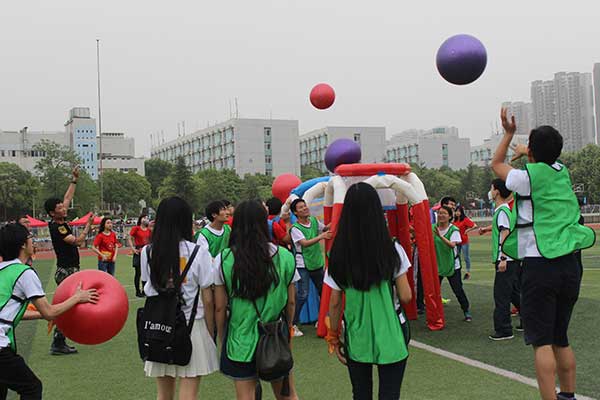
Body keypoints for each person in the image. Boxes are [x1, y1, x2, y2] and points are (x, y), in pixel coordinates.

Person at [491, 109, 595, 400]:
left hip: (540, 265)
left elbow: (496, 164)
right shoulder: (562, 172)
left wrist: (509, 135)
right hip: (570, 264)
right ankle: (568, 396)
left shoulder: (526, 178)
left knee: (542, 342)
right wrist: (529, 151)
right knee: (561, 337)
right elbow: (544, 161)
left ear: (533, 152)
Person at [325, 183, 411, 400]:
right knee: (390, 395)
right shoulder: (393, 248)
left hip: (356, 333)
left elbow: (334, 303)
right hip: (392, 332)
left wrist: (334, 336)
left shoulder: (338, 253)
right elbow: (406, 295)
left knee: (361, 394)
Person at [0, 223, 98, 400]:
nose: (33, 241)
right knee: (32, 388)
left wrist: (42, 314)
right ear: (23, 244)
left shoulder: (2, 269)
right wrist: (77, 297)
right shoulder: (24, 273)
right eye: (30, 237)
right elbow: (49, 312)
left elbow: (7, 313)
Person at [213, 200, 299, 400]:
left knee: (246, 397)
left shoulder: (224, 258)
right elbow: (291, 302)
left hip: (240, 340)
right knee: (287, 395)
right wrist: (288, 329)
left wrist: (222, 336)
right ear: (263, 222)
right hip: (275, 335)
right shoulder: (285, 257)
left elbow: (219, 307)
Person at [140, 197, 218, 400]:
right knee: (188, 392)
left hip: (159, 326)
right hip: (192, 325)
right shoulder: (198, 253)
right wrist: (211, 331)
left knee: (163, 394)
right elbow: (207, 297)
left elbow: (148, 285)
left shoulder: (147, 252)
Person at [44, 166, 94, 355]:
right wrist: (88, 226)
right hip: (66, 271)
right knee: (67, 306)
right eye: (59, 208)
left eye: (63, 206)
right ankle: (58, 341)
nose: (64, 207)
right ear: (52, 213)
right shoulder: (59, 228)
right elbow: (78, 242)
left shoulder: (59, 221)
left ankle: (60, 338)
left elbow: (67, 197)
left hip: (68, 270)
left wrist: (74, 180)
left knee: (69, 305)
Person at [289, 198, 332, 337]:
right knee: (302, 294)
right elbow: (304, 243)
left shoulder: (313, 221)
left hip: (316, 262)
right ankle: (292, 324)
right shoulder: (295, 228)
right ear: (295, 212)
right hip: (303, 264)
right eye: (300, 207)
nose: (305, 208)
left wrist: (336, 220)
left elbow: (324, 228)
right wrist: (322, 236)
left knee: (323, 291)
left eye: (305, 206)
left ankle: (322, 320)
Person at [487, 179, 522, 341]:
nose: (490, 191)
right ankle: (529, 320)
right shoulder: (505, 210)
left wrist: (502, 258)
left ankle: (504, 329)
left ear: (497, 192)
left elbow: (504, 234)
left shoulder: (502, 211)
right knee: (514, 292)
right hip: (511, 258)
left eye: (492, 188)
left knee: (501, 295)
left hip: (506, 259)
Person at [433, 205, 472, 322]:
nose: (441, 215)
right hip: (438, 264)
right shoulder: (433, 228)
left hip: (452, 265)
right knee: (434, 291)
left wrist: (440, 236)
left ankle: (466, 310)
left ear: (450, 216)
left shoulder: (453, 230)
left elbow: (452, 245)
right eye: (439, 213)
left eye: (444, 213)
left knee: (458, 290)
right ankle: (435, 314)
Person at [128, 214, 152, 298]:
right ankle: (137, 291)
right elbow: (130, 237)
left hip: (147, 250)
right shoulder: (136, 228)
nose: (146, 219)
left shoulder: (149, 230)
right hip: (138, 250)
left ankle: (145, 290)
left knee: (147, 271)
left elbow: (151, 240)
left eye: (147, 218)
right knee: (138, 272)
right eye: (144, 217)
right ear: (140, 219)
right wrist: (133, 248)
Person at [453, 206, 478, 280]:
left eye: (459, 211)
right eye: (456, 211)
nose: (457, 213)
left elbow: (474, 225)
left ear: (461, 212)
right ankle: (458, 270)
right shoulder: (454, 221)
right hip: (457, 241)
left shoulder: (465, 220)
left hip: (464, 241)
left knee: (466, 257)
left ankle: (468, 272)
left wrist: (467, 230)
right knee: (457, 256)